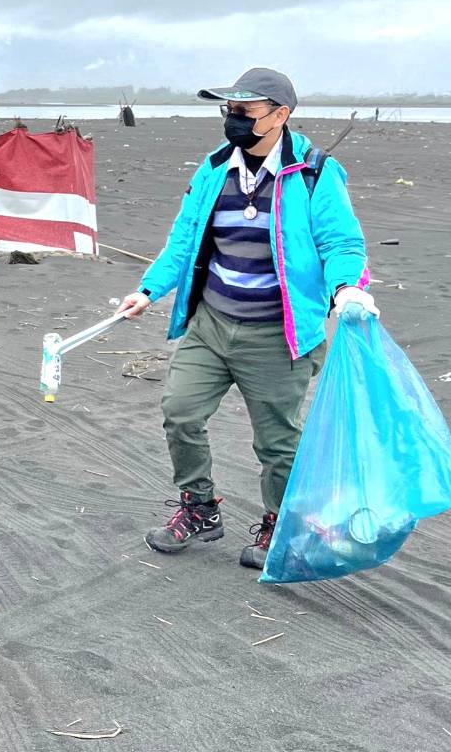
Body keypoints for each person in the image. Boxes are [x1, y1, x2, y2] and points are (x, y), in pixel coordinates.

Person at [114, 67, 374, 571]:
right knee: (181, 410)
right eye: (228, 109)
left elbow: (342, 243)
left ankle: (281, 521)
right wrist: (147, 290)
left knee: (277, 441)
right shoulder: (213, 169)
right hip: (212, 323)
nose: (232, 119)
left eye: (245, 110)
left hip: (278, 334)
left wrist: (347, 289)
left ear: (281, 115)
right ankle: (200, 507)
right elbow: (183, 242)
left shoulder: (316, 173)